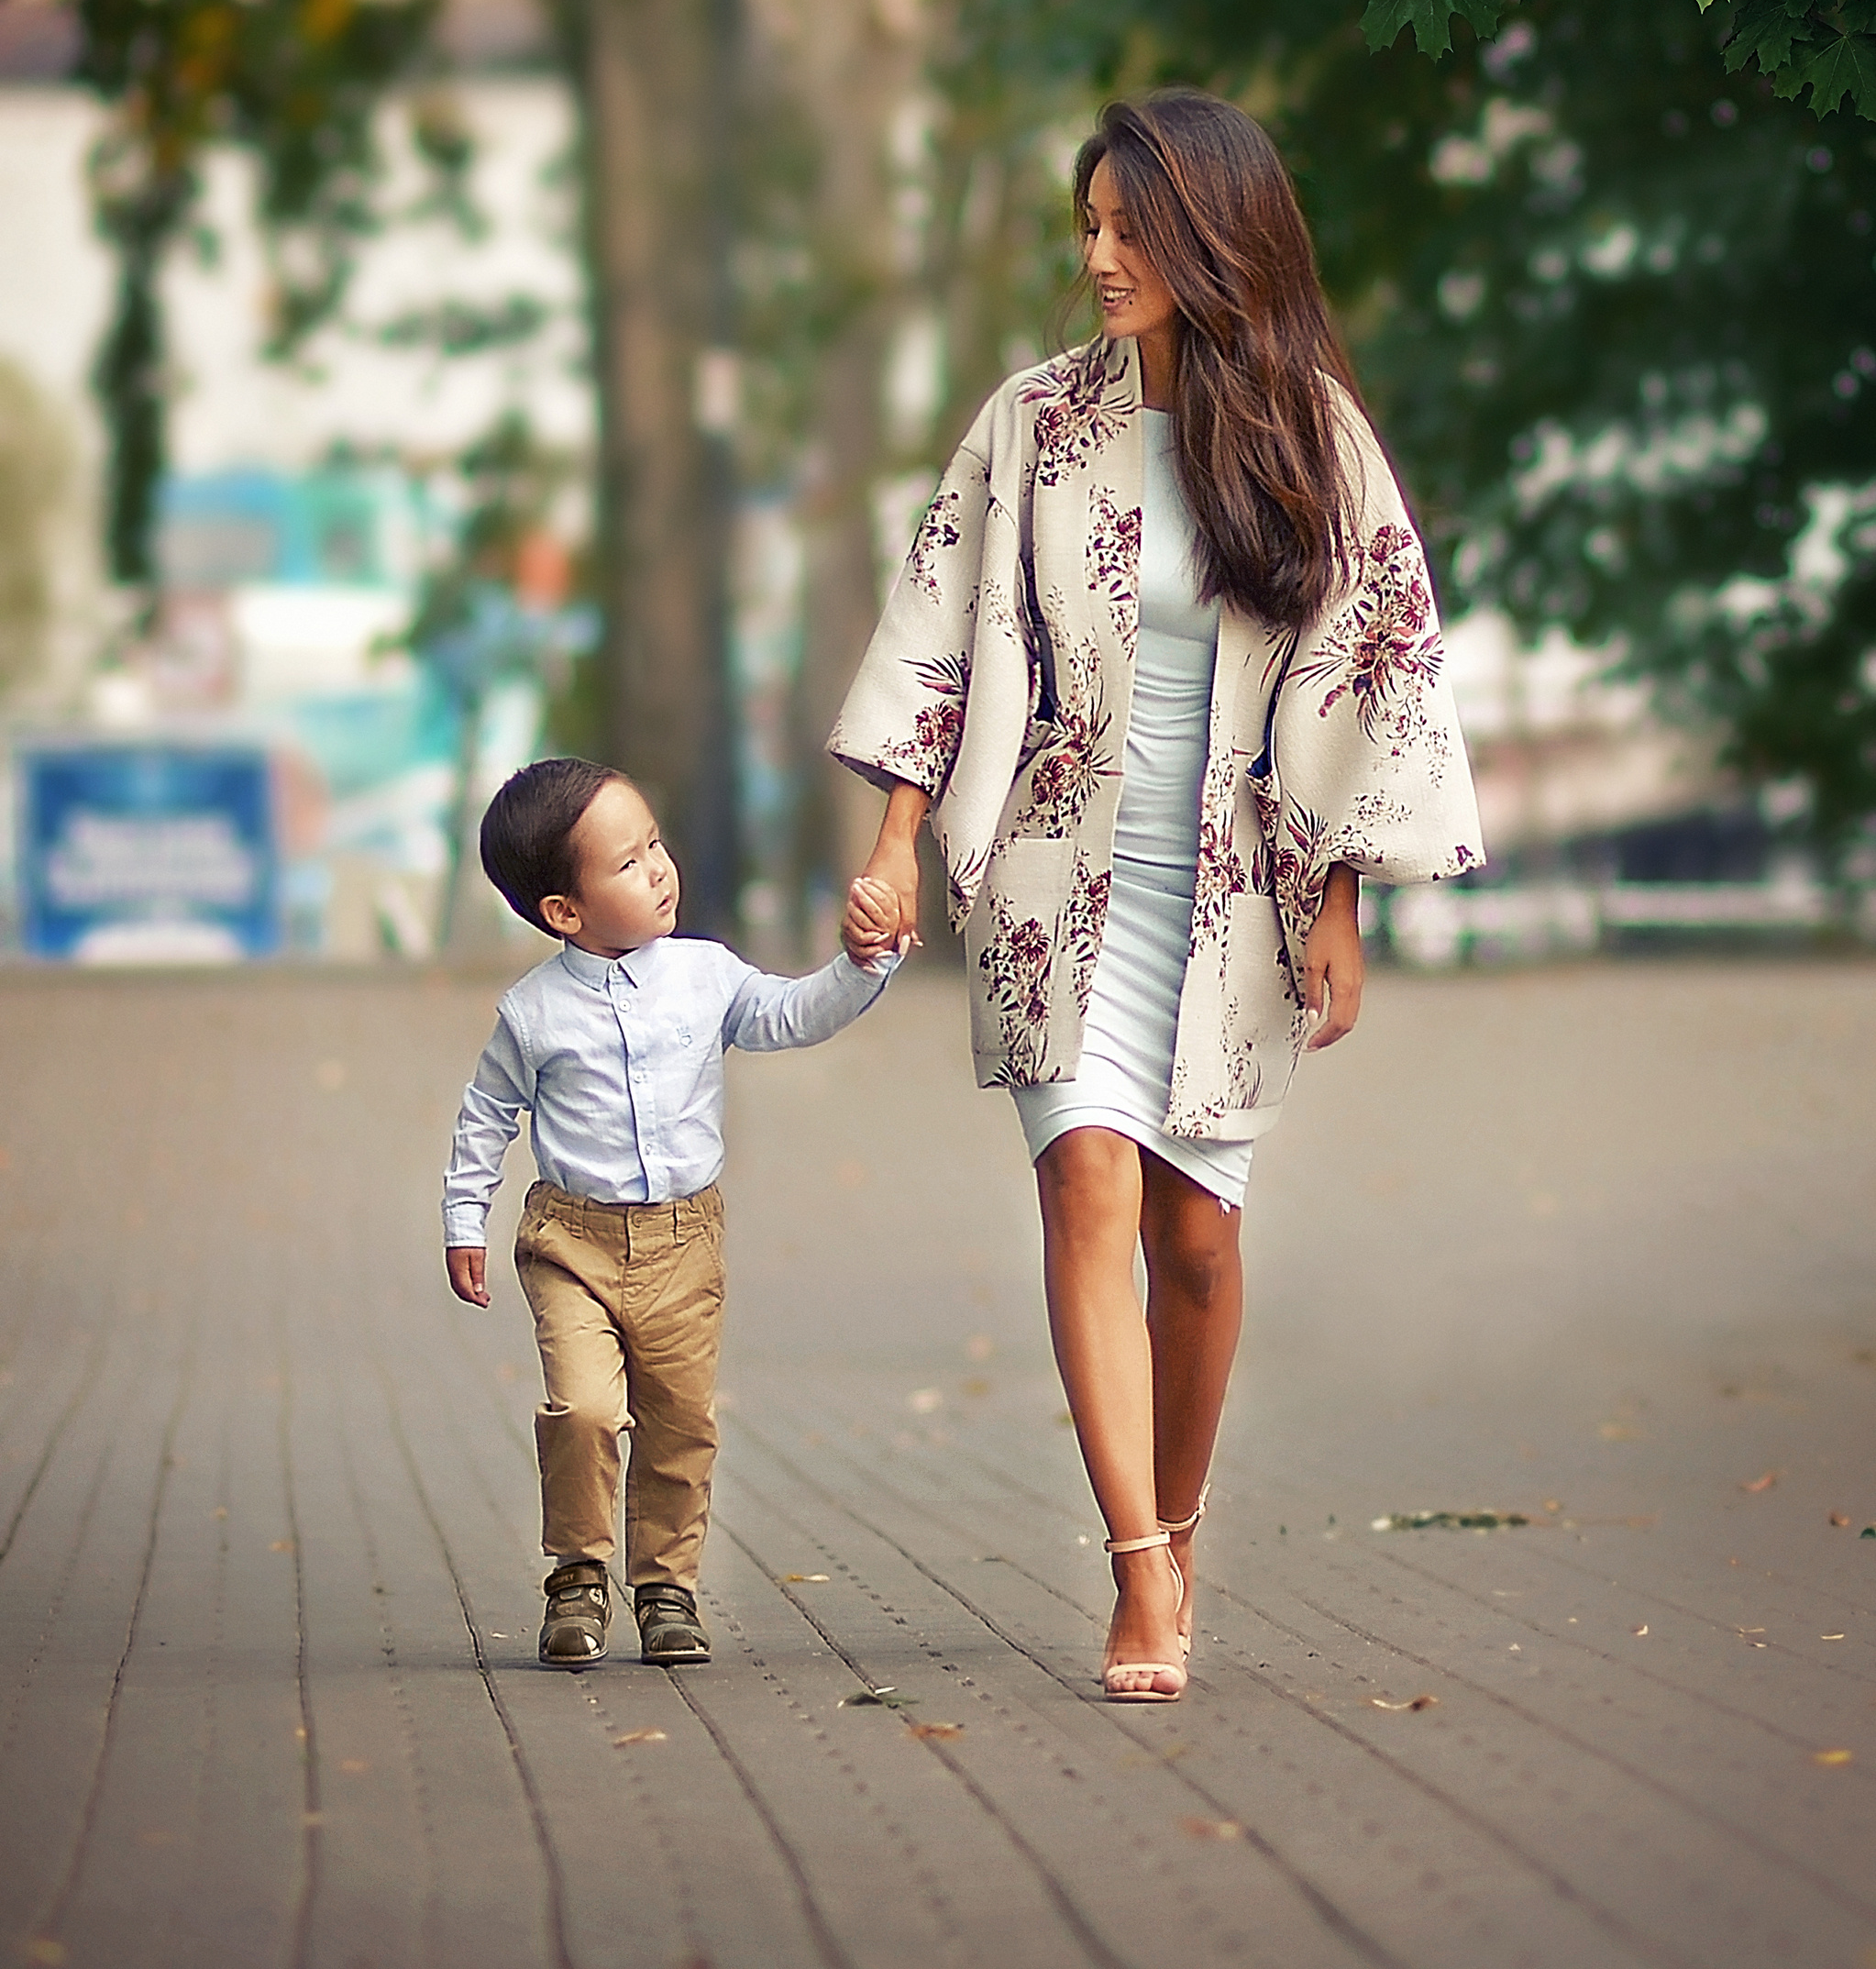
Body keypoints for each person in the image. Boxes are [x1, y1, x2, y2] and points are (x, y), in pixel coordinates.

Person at [831, 91, 1483, 1700]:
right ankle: (1133, 1566)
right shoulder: (1032, 423)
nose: (1099, 256)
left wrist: (1337, 900)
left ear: (1212, 236)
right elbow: (937, 623)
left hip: (1234, 896)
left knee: (1194, 1242)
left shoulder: (1309, 437)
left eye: (1130, 228)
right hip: (1056, 876)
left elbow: (1374, 667)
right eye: (1091, 226)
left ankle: (1176, 1529)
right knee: (1085, 1187)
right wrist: (896, 841)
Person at [443, 757, 902, 1670]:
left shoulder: (705, 973)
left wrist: (862, 966)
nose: (658, 869)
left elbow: (790, 1014)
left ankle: (666, 1588)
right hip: (570, 1243)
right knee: (582, 1409)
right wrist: (465, 1218)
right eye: (627, 862)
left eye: (654, 845)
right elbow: (487, 1114)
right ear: (563, 912)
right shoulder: (533, 1013)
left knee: (680, 1423)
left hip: (683, 1243)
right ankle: (577, 1574)